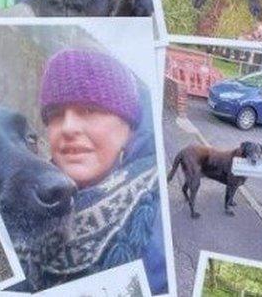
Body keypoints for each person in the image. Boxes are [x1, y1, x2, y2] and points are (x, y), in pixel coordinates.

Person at [36, 48, 168, 294]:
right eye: (55, 114)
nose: (68, 127)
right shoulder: (29, 198)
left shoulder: (156, 219)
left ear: (128, 125)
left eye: (89, 110)